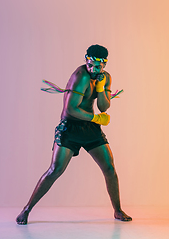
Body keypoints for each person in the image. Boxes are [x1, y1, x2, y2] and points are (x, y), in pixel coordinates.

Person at [16, 44, 132, 225]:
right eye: (91, 64)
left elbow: (104, 106)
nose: (93, 69)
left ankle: (117, 210)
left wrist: (101, 88)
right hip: (70, 127)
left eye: (98, 66)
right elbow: (70, 109)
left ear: (105, 64)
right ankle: (27, 209)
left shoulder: (105, 77)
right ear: (86, 59)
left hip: (90, 128)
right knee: (55, 170)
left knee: (109, 168)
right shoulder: (81, 77)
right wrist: (96, 118)